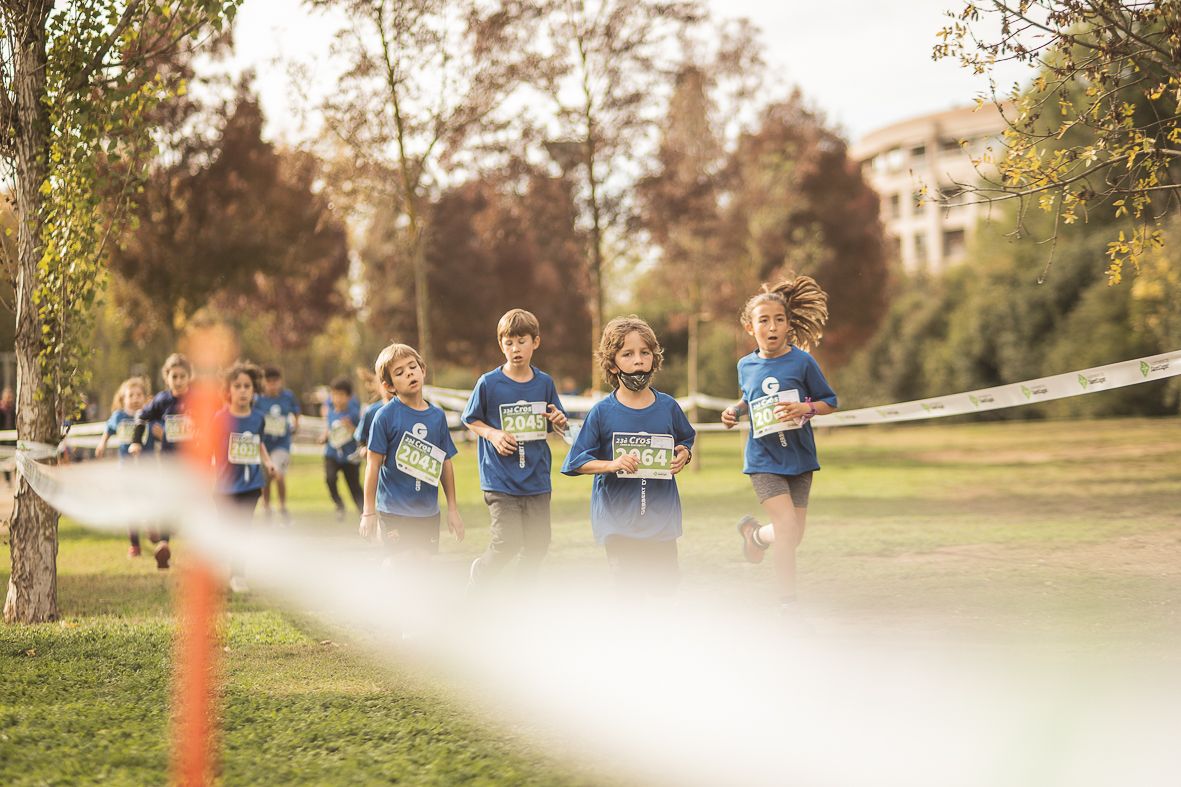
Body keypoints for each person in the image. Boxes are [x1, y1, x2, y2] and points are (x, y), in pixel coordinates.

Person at [720, 275, 838, 615]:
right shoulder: (745, 364)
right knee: (787, 528)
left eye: (779, 320)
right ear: (749, 327)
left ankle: (755, 536)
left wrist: (806, 408)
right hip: (763, 459)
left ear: (788, 325)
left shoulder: (802, 362)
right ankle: (788, 604)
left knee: (793, 535)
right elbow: (748, 397)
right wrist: (734, 411)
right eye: (764, 320)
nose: (772, 327)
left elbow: (830, 401)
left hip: (799, 459)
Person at [561, 316, 694, 596]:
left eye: (645, 352)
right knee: (629, 592)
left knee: (666, 589)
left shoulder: (669, 407)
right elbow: (577, 461)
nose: (638, 361)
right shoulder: (601, 413)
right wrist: (612, 464)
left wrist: (684, 454)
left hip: (661, 519)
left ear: (654, 358)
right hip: (618, 520)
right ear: (612, 363)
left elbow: (685, 440)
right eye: (628, 354)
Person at [462, 309, 568, 590]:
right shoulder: (488, 383)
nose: (515, 348)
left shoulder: (544, 383)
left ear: (536, 342)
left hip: (536, 478)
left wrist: (559, 421)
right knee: (508, 540)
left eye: (521, 341)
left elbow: (556, 422)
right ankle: (481, 574)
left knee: (538, 544)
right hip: (500, 479)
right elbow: (470, 419)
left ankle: (521, 595)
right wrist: (493, 434)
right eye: (508, 342)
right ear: (501, 345)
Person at [359, 343, 464, 562]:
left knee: (423, 566)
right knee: (399, 564)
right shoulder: (385, 416)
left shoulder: (437, 416)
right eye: (400, 372)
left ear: (423, 370)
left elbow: (445, 463)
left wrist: (452, 509)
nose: (409, 373)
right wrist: (368, 512)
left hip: (428, 512)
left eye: (412, 367)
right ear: (389, 385)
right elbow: (373, 465)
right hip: (394, 509)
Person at [213, 361, 277, 593]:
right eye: (237, 386)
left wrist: (268, 463)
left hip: (251, 483)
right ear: (228, 390)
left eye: (247, 386)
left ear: (254, 390)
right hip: (223, 485)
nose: (242, 390)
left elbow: (258, 443)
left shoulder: (258, 418)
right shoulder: (219, 418)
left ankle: (238, 575)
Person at [129, 353, 195, 569]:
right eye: (173, 376)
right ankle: (164, 545)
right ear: (167, 377)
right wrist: (137, 441)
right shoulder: (162, 400)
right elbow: (141, 416)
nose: (178, 381)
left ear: (189, 377)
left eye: (182, 376)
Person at [95, 377, 155, 557]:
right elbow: (108, 430)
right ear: (123, 399)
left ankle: (152, 527)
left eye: (139, 395)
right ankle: (134, 545)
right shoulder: (118, 417)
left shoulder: (149, 416)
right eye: (131, 395)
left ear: (145, 398)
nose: (135, 398)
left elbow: (160, 432)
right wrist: (102, 444)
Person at [255, 365, 301, 525]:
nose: (273, 385)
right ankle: (266, 507)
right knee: (265, 478)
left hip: (282, 443)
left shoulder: (287, 396)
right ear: (264, 382)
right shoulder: (258, 399)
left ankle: (282, 507)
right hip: (264, 445)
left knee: (278, 473)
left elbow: (296, 412)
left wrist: (296, 424)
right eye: (269, 382)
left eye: (275, 382)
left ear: (280, 382)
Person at [320, 377, 363, 520]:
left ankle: (365, 514)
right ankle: (339, 504)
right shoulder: (331, 412)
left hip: (350, 456)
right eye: (335, 395)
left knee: (354, 487)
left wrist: (350, 427)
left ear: (349, 397)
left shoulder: (354, 414)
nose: (337, 398)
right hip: (332, 454)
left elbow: (361, 434)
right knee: (330, 479)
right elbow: (329, 427)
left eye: (341, 395)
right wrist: (324, 436)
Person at [0, 386, 15, 488]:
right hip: (2, 437)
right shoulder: (1, 408)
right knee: (4, 459)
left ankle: (13, 479)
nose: (9, 398)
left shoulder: (14, 408)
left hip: (13, 437)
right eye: (7, 396)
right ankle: (7, 480)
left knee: (14, 458)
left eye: (10, 396)